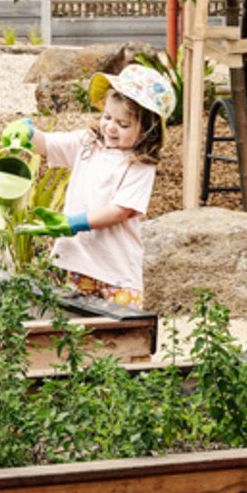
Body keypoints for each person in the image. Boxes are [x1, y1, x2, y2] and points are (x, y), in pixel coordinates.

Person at [14, 62, 172, 308]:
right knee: (77, 334)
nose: (110, 127)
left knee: (121, 336)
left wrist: (74, 223)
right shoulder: (87, 143)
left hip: (116, 271)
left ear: (146, 132)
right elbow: (46, 145)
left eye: (123, 124)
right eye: (107, 117)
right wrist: (27, 133)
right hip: (77, 263)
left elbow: (123, 209)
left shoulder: (140, 164)